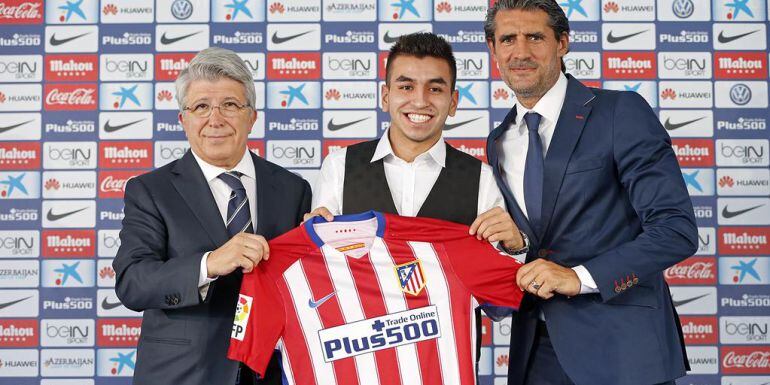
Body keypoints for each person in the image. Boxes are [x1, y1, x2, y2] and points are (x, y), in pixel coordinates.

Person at [484, 1, 698, 385]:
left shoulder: (620, 112)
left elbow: (675, 230)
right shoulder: (500, 140)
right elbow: (538, 239)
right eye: (508, 39)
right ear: (493, 49)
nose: (521, 52)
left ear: (563, 42)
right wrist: (516, 249)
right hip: (534, 353)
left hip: (622, 351)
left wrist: (578, 277)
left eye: (535, 37)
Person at [305, 32, 528, 378]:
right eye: (406, 87)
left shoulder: (481, 178)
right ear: (385, 96)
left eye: (435, 89)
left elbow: (499, 305)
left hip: (446, 368)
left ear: (453, 102)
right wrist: (311, 245)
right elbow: (321, 282)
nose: (420, 101)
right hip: (359, 368)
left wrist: (515, 248)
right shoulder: (340, 166)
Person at [113, 47, 311, 385]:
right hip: (183, 374)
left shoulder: (293, 189)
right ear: (183, 119)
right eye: (201, 106)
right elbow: (133, 282)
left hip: (273, 372)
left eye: (230, 105)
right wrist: (208, 264)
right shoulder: (150, 191)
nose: (215, 119)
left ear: (252, 116)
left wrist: (327, 245)